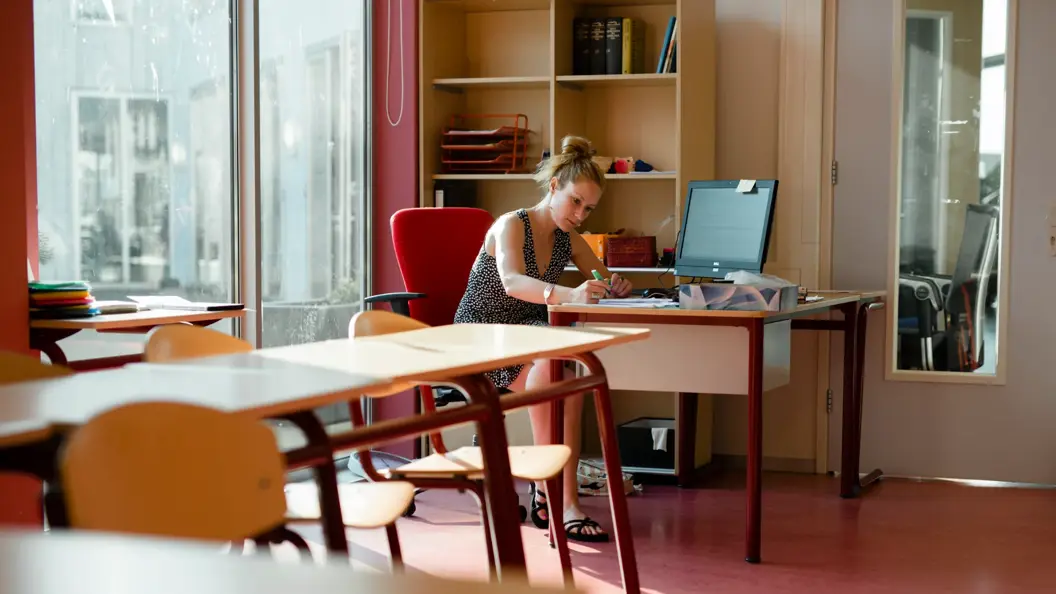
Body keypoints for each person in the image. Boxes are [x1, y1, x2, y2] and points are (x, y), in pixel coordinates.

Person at [453, 135, 633, 543]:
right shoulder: (511, 224)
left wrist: (615, 285)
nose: (580, 214)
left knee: (568, 373)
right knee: (557, 374)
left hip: (529, 333)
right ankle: (554, 495)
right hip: (483, 333)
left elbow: (599, 276)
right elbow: (512, 281)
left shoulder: (569, 239)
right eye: (575, 201)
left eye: (588, 209)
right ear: (554, 187)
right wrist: (570, 293)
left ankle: (557, 496)